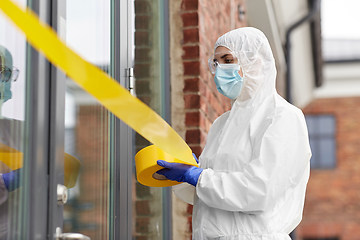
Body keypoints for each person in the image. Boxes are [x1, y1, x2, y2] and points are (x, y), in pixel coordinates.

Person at [156, 27, 311, 240]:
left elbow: (259, 190)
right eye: (217, 63)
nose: (221, 70)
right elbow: (210, 195)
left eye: (228, 60)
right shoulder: (222, 124)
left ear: (256, 61)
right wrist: (186, 176)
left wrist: (199, 176)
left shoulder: (283, 117)